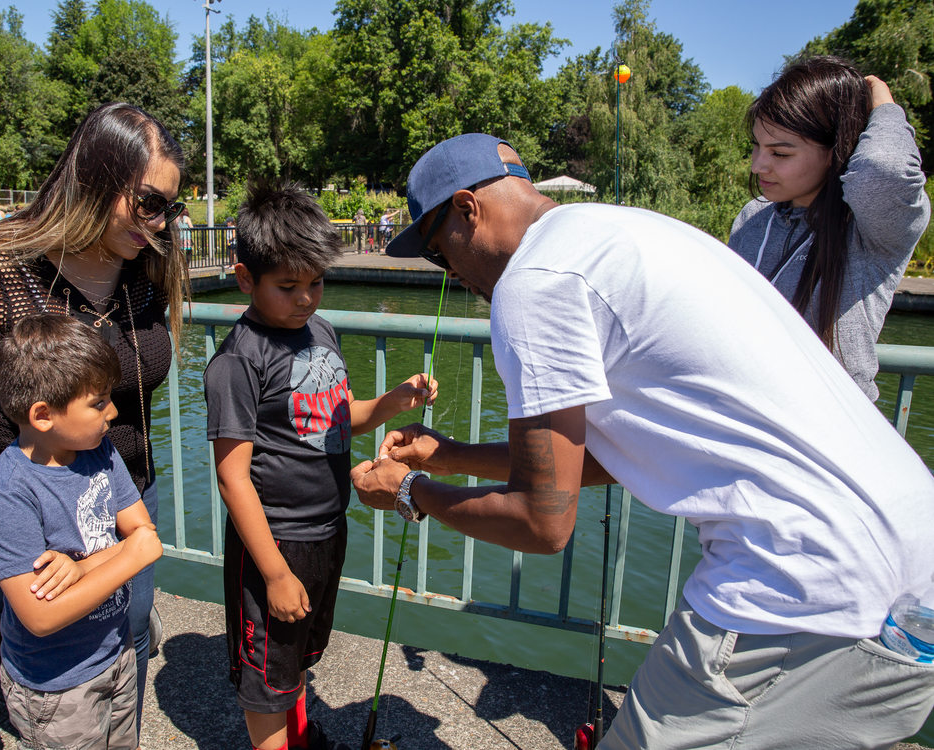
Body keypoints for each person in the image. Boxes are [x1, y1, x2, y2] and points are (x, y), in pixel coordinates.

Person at [351, 133, 934, 749]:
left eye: (441, 253)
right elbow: (612, 454)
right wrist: (454, 456)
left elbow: (541, 523)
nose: (453, 274)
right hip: (911, 566)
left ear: (469, 210)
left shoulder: (535, 283)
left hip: (805, 584)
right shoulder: (626, 232)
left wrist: (410, 489)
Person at [0, 101, 190, 737]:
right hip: (38, 505)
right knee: (58, 668)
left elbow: (135, 383)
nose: (161, 224)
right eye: (149, 202)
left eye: (172, 208)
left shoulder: (145, 269)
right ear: (95, 180)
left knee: (124, 649)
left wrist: (128, 528)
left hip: (122, 489)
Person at [204, 184, 437, 750]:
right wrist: (276, 573)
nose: (307, 298)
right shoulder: (238, 361)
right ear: (245, 280)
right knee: (266, 675)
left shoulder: (323, 333)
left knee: (300, 653)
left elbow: (337, 418)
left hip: (327, 530)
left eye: (316, 282)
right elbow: (232, 477)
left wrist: (392, 402)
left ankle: (301, 737)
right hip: (275, 542)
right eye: (288, 286)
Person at [0, 313, 162, 749]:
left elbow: (144, 532)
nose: (113, 411)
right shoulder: (8, 493)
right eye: (98, 403)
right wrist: (129, 556)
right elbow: (41, 616)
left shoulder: (99, 451)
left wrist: (81, 569)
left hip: (114, 650)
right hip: (55, 683)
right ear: (43, 415)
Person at [728, 57, 930, 400]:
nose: (758, 165)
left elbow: (882, 171)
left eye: (780, 153)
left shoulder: (871, 229)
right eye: (757, 146)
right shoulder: (753, 217)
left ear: (837, 149)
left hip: (827, 432)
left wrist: (882, 103)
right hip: (744, 422)